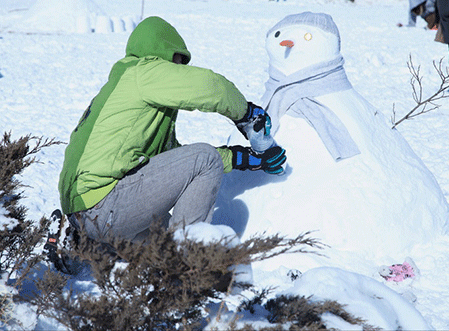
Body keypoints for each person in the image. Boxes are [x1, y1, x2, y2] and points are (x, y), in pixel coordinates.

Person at [58, 16, 286, 246]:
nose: (180, 68)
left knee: (164, 242)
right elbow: (211, 86)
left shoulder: (125, 87)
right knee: (205, 159)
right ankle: (188, 257)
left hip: (87, 212)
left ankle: (81, 244)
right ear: (163, 52)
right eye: (178, 59)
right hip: (104, 204)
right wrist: (247, 114)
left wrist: (240, 158)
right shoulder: (145, 73)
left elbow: (168, 161)